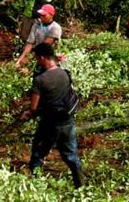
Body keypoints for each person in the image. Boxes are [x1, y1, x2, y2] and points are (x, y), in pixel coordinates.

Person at [20, 42, 83, 188]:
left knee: (38, 154)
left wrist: (28, 113)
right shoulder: (65, 72)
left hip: (49, 124)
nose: (37, 62)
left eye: (37, 59)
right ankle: (80, 185)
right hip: (67, 120)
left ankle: (35, 186)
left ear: (42, 58)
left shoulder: (40, 80)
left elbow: (34, 107)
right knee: (71, 155)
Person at [15, 4, 63, 75]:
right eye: (41, 15)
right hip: (37, 54)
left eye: (44, 15)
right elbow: (30, 43)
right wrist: (20, 60)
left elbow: (44, 47)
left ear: (51, 15)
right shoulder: (37, 25)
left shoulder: (55, 28)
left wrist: (29, 61)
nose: (41, 17)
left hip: (48, 57)